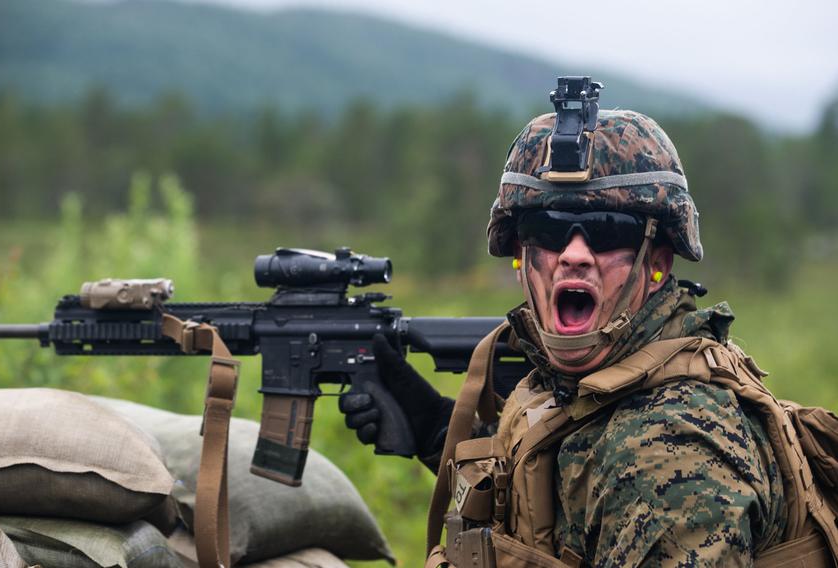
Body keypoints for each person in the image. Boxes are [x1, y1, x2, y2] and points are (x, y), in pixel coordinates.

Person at [339, 78, 837, 567]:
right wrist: (435, 431)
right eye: (548, 230)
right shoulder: (589, 387)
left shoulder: (668, 449)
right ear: (522, 254)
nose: (573, 255)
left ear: (658, 261)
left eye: (604, 231)